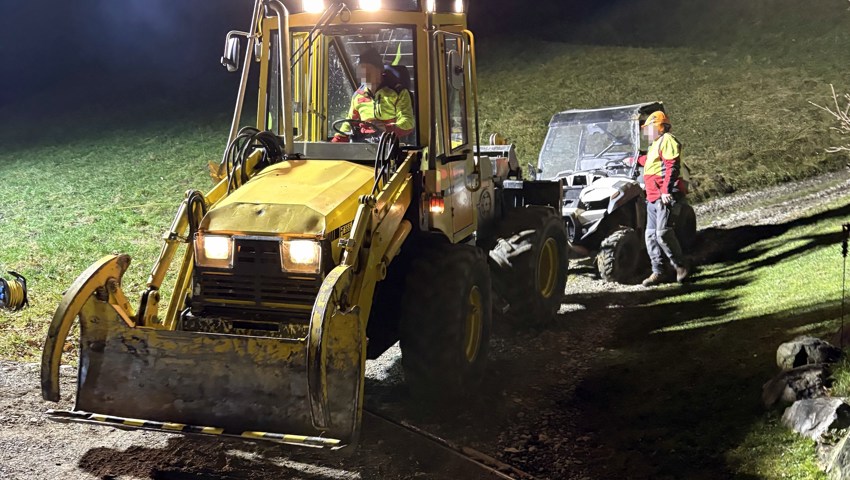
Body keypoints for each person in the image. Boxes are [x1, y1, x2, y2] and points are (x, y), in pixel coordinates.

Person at [638, 110, 690, 287]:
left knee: (663, 233)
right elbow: (650, 161)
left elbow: (672, 166)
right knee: (650, 235)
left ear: (659, 127)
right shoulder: (656, 144)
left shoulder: (668, 140)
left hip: (664, 195)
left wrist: (666, 191)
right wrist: (634, 159)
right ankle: (658, 272)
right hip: (652, 197)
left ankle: (680, 266)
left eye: (649, 128)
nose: (646, 133)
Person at [332, 47, 415, 142]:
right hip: (363, 146)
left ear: (380, 70)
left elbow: (408, 122)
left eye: (368, 69)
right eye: (361, 69)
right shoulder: (358, 95)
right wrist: (336, 142)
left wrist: (387, 128)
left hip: (391, 145)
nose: (364, 74)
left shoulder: (398, 92)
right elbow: (349, 122)